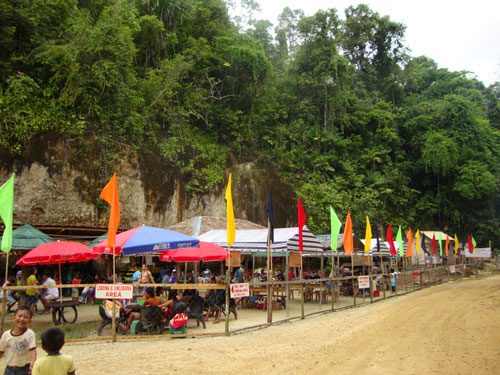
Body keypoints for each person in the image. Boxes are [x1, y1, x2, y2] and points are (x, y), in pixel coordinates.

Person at [0, 306, 37, 374]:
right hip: (9, 369)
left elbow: (33, 350)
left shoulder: (30, 334)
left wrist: (33, 363)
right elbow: (1, 351)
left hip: (24, 369)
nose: (22, 319)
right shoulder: (6, 335)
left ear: (29, 321)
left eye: (26, 317)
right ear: (14, 318)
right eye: (19, 316)